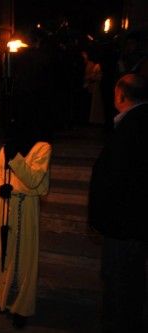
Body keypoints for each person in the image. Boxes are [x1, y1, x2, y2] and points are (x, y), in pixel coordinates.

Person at [88, 73, 148, 332]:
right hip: (134, 222)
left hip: (124, 224)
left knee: (120, 283)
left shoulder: (131, 126)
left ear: (121, 95)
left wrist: (100, 218)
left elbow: (115, 178)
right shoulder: (138, 121)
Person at [0, 119, 52, 329]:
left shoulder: (42, 148)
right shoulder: (8, 148)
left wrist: (15, 161)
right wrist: (0, 187)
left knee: (23, 256)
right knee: (3, 252)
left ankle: (20, 306)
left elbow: (33, 180)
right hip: (6, 207)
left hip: (26, 209)